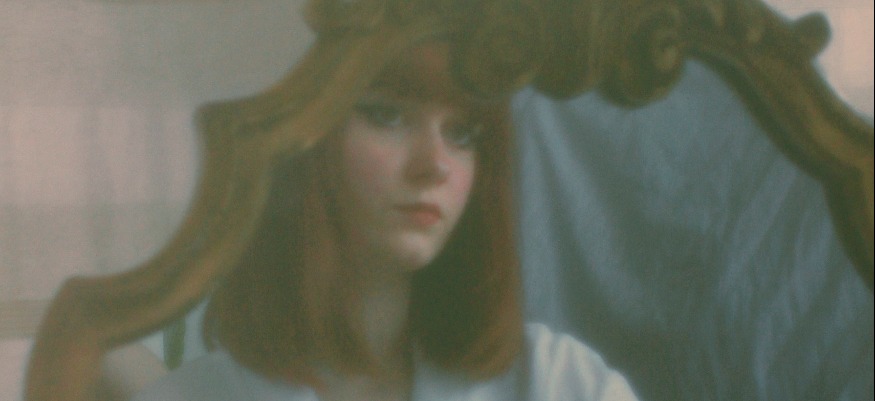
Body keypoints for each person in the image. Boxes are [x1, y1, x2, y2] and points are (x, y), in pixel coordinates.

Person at [132, 32, 638, 401]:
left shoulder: (560, 383)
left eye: (461, 132)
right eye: (386, 115)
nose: (435, 165)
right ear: (300, 141)